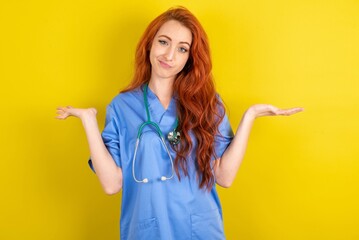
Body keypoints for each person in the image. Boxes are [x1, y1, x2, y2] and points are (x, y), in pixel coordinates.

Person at [56, 6, 303, 240]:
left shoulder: (207, 104)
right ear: (149, 44)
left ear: (190, 57)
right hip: (147, 228)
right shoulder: (122, 107)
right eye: (164, 42)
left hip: (200, 228)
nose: (170, 55)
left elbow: (224, 177)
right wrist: (88, 121)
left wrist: (249, 116)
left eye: (182, 48)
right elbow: (112, 184)